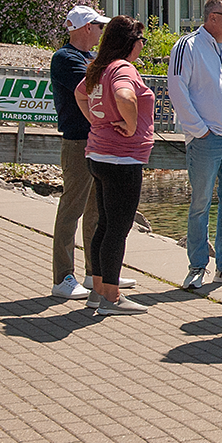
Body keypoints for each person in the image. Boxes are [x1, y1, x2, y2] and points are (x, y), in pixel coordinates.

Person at [168, 0, 222, 289]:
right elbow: (177, 89)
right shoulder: (187, 46)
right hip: (206, 140)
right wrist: (199, 130)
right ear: (212, 18)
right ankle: (197, 267)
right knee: (200, 204)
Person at [49, 5, 133, 299]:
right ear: (87, 28)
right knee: (71, 208)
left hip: (97, 142)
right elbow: (96, 87)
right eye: (99, 27)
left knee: (97, 212)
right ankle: (62, 277)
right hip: (76, 141)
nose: (102, 32)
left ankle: (93, 273)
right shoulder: (64, 58)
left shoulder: (93, 58)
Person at [76, 16, 155, 315]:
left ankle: (97, 291)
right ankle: (112, 297)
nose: (142, 46)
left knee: (105, 225)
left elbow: (80, 94)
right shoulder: (123, 68)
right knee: (117, 229)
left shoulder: (99, 67)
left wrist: (97, 123)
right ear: (131, 43)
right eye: (141, 41)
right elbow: (124, 94)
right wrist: (131, 124)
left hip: (99, 155)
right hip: (122, 158)